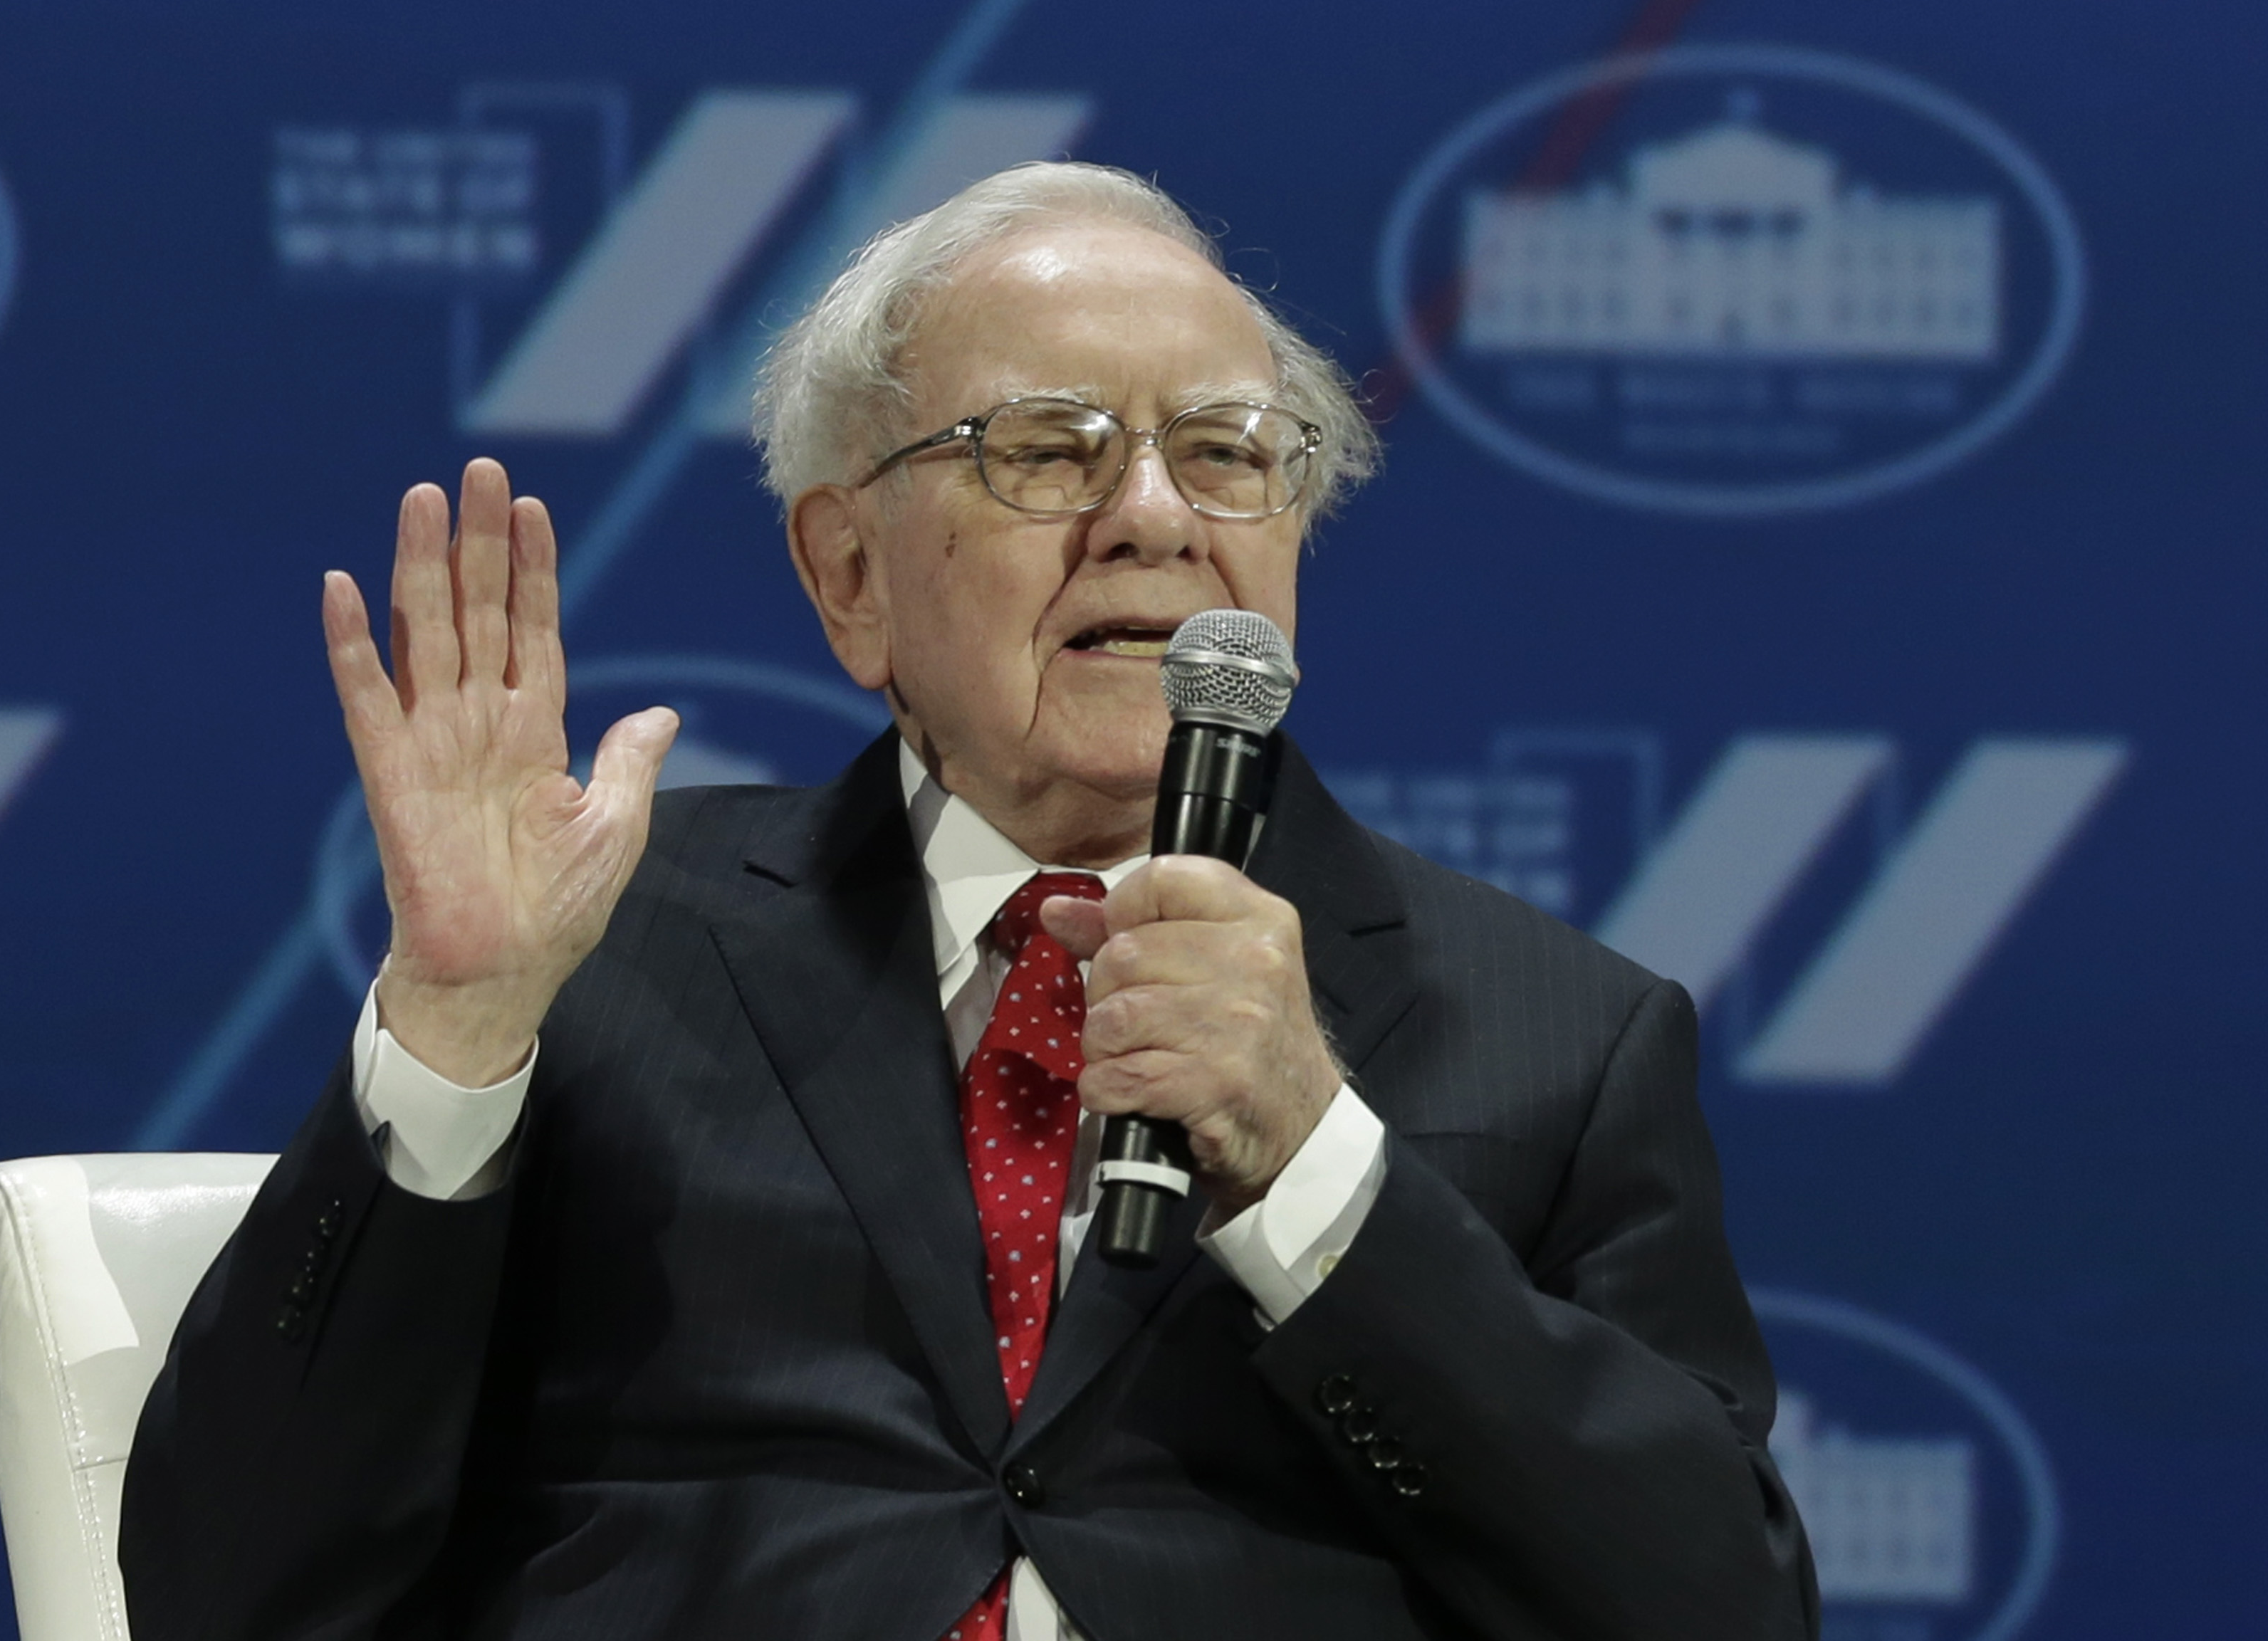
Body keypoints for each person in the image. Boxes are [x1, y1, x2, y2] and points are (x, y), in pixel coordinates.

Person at [121, 162, 1817, 1640]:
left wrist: (1318, 1175)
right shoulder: (603, 942)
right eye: (1045, 449)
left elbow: (1710, 1611)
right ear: (847, 572)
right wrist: (456, 1035)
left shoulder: (1555, 1034)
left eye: (1228, 453)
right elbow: (232, 1586)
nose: (1152, 518)